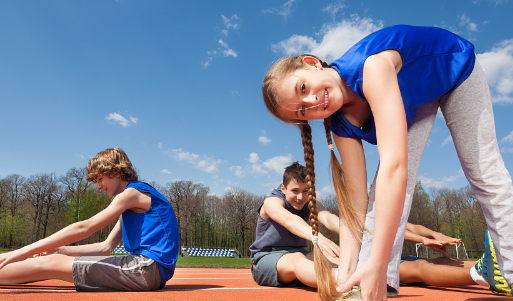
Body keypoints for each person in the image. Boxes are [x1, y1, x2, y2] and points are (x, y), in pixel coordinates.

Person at [261, 24, 513, 301]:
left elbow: (396, 167)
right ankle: (367, 288)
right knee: (380, 191)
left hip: (452, 65)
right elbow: (357, 200)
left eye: (304, 87)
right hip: (414, 96)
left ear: (312, 64)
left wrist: (376, 264)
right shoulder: (340, 125)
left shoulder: (372, 68)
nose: (312, 101)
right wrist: (345, 280)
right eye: (302, 110)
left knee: (484, 174)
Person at [0, 147, 179, 291]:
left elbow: (85, 228)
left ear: (116, 172)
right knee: (50, 263)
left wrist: (24, 250)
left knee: (50, 264)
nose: (98, 186)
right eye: (95, 181)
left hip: (145, 268)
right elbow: (105, 248)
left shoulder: (132, 193)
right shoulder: (131, 206)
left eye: (100, 179)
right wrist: (59, 250)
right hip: (148, 271)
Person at [249, 161, 340, 293]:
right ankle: (346, 281)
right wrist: (317, 237)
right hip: (267, 257)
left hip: (301, 254)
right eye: (295, 191)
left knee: (335, 255)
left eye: (305, 191)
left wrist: (359, 233)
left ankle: (360, 276)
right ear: (283, 189)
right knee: (297, 258)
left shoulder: (310, 202)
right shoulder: (271, 202)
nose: (300, 197)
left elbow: (327, 218)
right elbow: (289, 220)